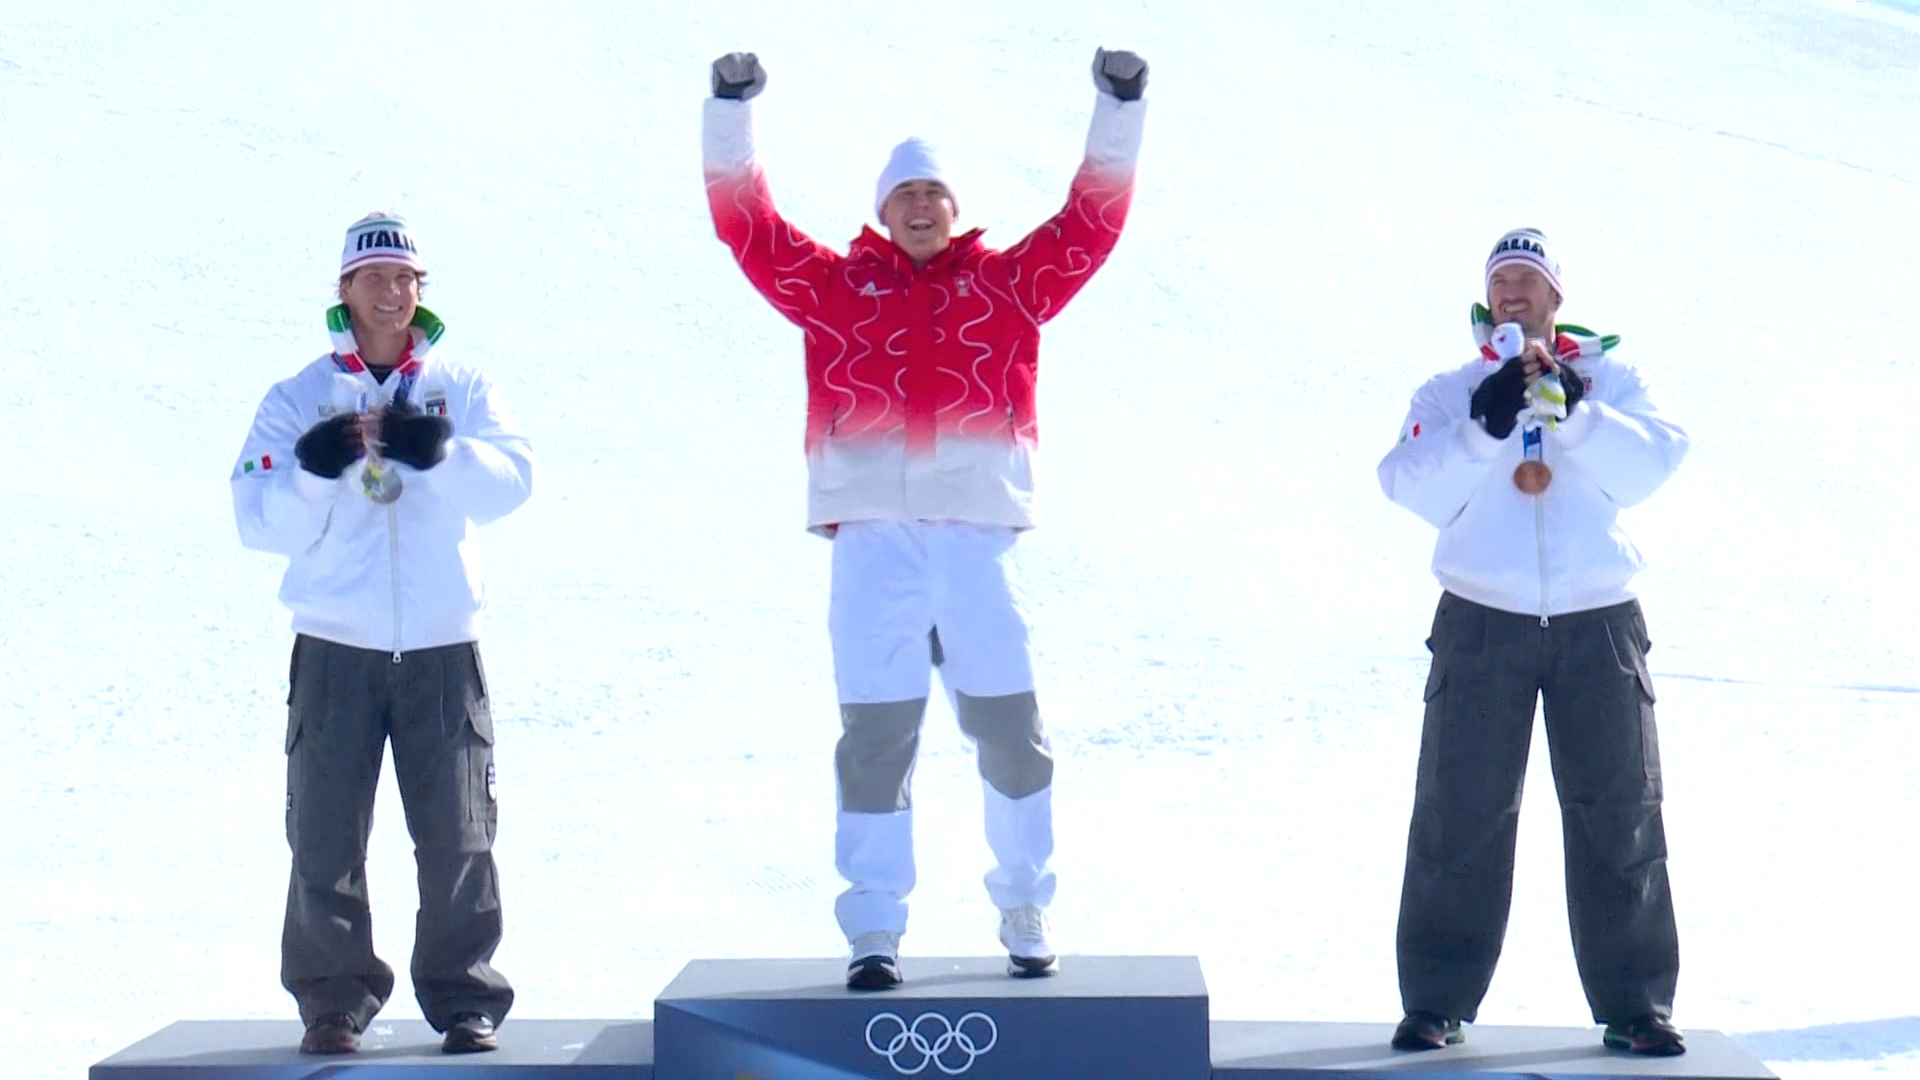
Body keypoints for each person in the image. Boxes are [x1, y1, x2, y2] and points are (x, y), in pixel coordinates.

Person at [701, 47, 1148, 990]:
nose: (918, 207)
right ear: (881, 209)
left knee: (1011, 732)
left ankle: (1025, 902)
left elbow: (1090, 227)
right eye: (903, 193)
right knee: (875, 740)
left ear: (956, 210)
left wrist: (1121, 105)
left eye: (934, 194)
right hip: (872, 543)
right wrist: (730, 111)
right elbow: (748, 230)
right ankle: (873, 928)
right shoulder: (835, 291)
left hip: (976, 541)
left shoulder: (1007, 288)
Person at [1376, 227, 1691, 1056]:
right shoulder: (1451, 391)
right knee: (1460, 814)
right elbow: (1405, 485)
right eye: (1501, 279)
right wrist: (1481, 431)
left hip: (1599, 621)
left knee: (1620, 813)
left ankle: (1637, 1006)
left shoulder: (1613, 379)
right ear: (1489, 299)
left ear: (1557, 297)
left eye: (1529, 278)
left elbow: (1657, 464)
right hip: (1482, 620)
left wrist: (1581, 417)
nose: (1514, 291)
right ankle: (1435, 1001)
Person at [231, 211, 533, 1055]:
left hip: (441, 644)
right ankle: (333, 1000)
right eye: (377, 279)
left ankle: (464, 996)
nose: (395, 293)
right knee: (325, 833)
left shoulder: (462, 386)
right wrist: (315, 474)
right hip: (336, 647)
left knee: (460, 832)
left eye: (408, 279)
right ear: (345, 290)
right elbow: (258, 521)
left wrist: (446, 456)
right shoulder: (297, 398)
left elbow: (514, 484)